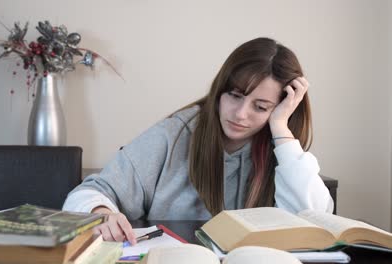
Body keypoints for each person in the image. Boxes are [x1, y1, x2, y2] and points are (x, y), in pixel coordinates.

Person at [63, 37, 334, 245]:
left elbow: (311, 220)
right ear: (219, 90)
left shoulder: (282, 147)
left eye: (261, 107)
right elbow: (88, 193)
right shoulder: (175, 134)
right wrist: (102, 213)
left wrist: (280, 129)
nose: (241, 114)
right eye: (235, 96)